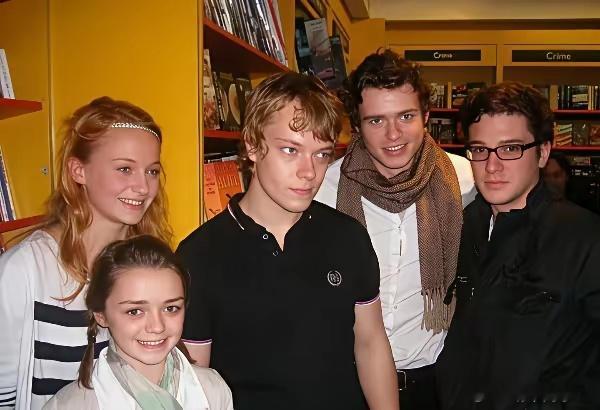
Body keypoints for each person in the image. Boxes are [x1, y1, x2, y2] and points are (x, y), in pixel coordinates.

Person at [177, 71, 398, 410]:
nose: (309, 172)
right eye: (290, 150)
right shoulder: (199, 255)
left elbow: (370, 343)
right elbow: (195, 382)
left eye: (321, 154)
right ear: (252, 145)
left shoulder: (348, 236)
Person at [314, 49, 476, 410]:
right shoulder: (324, 188)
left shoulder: (464, 180)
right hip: (345, 380)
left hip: (434, 385)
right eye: (376, 120)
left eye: (406, 116)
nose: (393, 134)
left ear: (426, 117)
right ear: (357, 126)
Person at [0, 97, 172, 410]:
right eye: (124, 169)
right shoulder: (25, 269)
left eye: (152, 171)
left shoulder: (151, 263)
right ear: (78, 171)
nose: (143, 187)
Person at [436, 82, 600, 409]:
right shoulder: (461, 226)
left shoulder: (584, 237)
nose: (492, 165)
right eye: (480, 149)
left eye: (510, 148)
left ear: (543, 153)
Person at [43, 235, 233, 409]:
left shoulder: (213, 390)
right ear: (101, 315)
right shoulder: (69, 405)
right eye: (135, 311)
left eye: (171, 308)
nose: (157, 326)